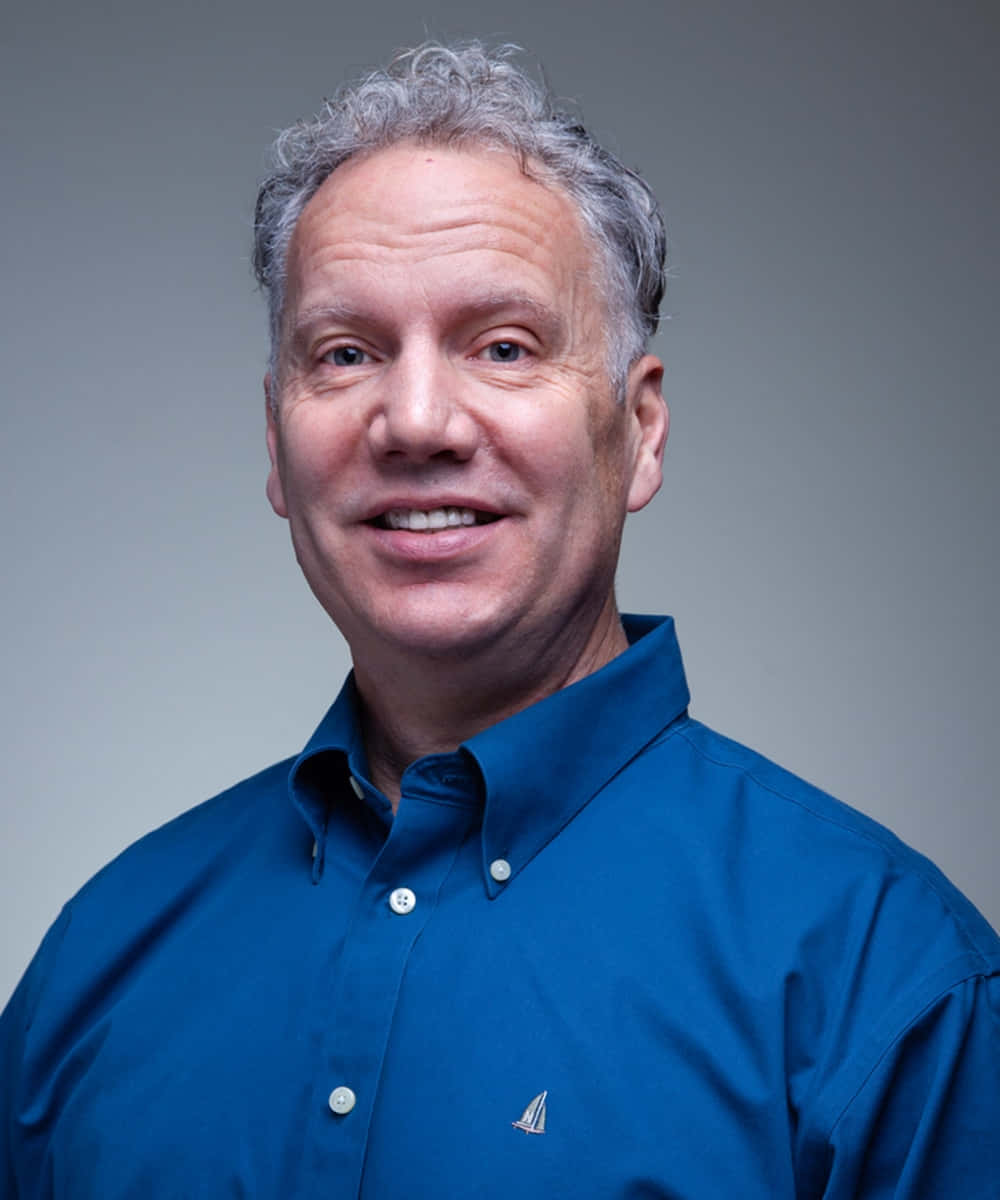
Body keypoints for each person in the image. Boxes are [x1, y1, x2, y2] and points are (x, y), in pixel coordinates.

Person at [2, 41, 998, 1199]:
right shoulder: (100, 958)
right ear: (276, 444)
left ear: (640, 432)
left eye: (504, 346)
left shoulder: (889, 982)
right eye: (346, 353)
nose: (415, 420)